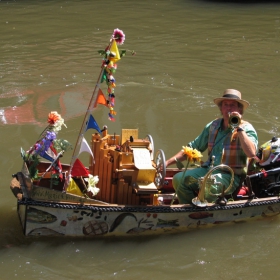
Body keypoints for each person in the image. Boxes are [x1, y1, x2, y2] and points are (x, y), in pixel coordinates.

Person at [165, 89, 258, 204]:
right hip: (208, 170)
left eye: (232, 105)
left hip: (231, 176)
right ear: (221, 108)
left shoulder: (246, 129)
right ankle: (190, 208)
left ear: (239, 109)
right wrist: (167, 163)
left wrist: (239, 128)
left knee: (208, 185)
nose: (228, 108)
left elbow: (251, 153)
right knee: (179, 179)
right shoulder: (213, 126)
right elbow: (193, 148)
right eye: (225, 105)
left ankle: (204, 211)